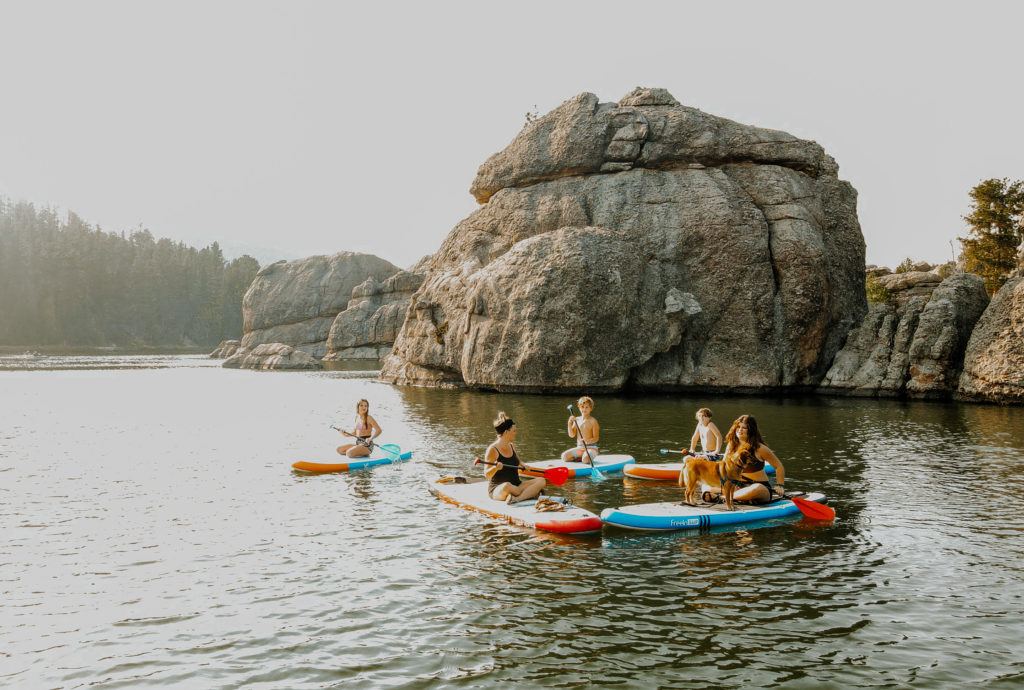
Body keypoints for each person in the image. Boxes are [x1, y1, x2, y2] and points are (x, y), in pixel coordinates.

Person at [700, 414, 786, 504]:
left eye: (744, 428)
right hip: (737, 486)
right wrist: (707, 459)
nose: (740, 430)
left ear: (751, 430)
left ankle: (722, 497)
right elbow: (723, 466)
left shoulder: (759, 448)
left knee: (757, 488)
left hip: (759, 488)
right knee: (706, 485)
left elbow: (779, 466)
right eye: (738, 427)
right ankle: (738, 497)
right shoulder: (731, 445)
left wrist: (780, 485)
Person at [484, 412, 545, 504]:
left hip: (517, 485)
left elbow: (519, 462)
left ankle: (517, 499)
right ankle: (530, 493)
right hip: (499, 489)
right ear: (506, 432)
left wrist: (524, 466)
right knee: (507, 486)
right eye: (514, 431)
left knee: (541, 480)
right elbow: (487, 475)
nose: (516, 433)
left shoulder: (513, 446)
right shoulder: (493, 449)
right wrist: (495, 468)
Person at [561, 396, 600, 464]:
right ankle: (581, 457)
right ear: (579, 407)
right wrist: (569, 423)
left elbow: (596, 438)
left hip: (592, 448)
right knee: (564, 456)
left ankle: (585, 457)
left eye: (586, 407)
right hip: (580, 448)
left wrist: (587, 441)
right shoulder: (577, 420)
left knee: (585, 459)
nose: (584, 409)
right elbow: (571, 435)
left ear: (591, 408)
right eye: (582, 407)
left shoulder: (593, 421)